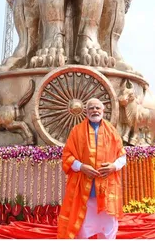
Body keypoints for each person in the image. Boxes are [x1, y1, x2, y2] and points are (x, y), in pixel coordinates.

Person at [57, 98, 127, 239]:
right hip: (84, 190)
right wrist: (81, 167)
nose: (95, 110)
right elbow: (67, 156)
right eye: (91, 108)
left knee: (108, 229)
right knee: (82, 229)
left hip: (106, 190)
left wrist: (114, 166)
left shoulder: (112, 131)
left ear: (103, 110)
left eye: (97, 108)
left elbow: (122, 156)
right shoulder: (76, 131)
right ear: (86, 112)